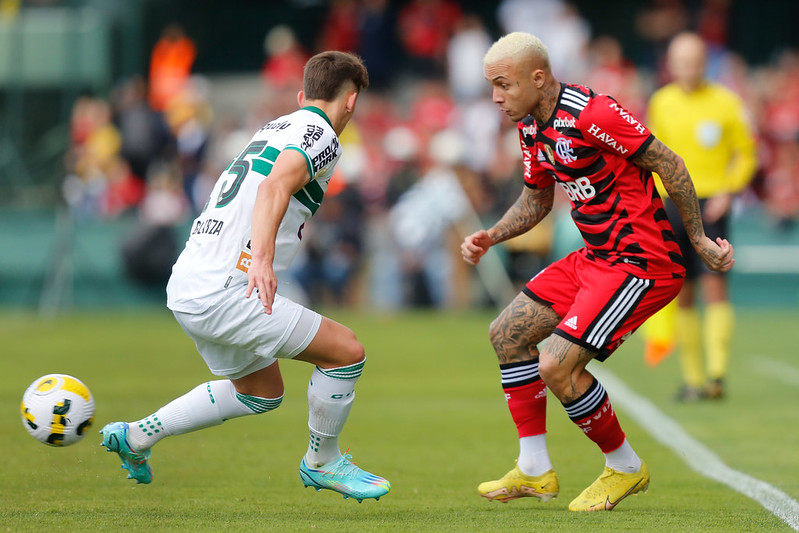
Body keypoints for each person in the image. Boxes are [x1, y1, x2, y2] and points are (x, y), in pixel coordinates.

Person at [100, 51, 391, 503]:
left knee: (260, 392)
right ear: (351, 101)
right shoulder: (323, 135)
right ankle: (323, 462)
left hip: (188, 285)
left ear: (302, 96)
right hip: (229, 288)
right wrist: (261, 258)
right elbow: (274, 186)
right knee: (345, 353)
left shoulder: (275, 127)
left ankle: (137, 435)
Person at [460, 32, 734, 512]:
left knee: (556, 364)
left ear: (538, 78)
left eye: (503, 85)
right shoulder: (531, 127)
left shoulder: (592, 113)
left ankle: (626, 468)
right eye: (492, 87)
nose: (496, 97)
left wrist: (696, 238)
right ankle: (534, 468)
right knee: (506, 333)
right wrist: (493, 235)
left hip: (641, 262)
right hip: (596, 259)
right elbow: (537, 199)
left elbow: (669, 162)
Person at [645, 32, 757, 400]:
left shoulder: (726, 102)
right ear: (670, 65)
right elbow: (649, 153)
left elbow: (747, 153)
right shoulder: (661, 102)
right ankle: (693, 379)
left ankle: (716, 375)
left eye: (693, 61)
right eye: (680, 62)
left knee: (714, 284)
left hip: (711, 202)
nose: (687, 69)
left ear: (705, 62)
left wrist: (729, 189)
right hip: (673, 201)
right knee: (683, 289)